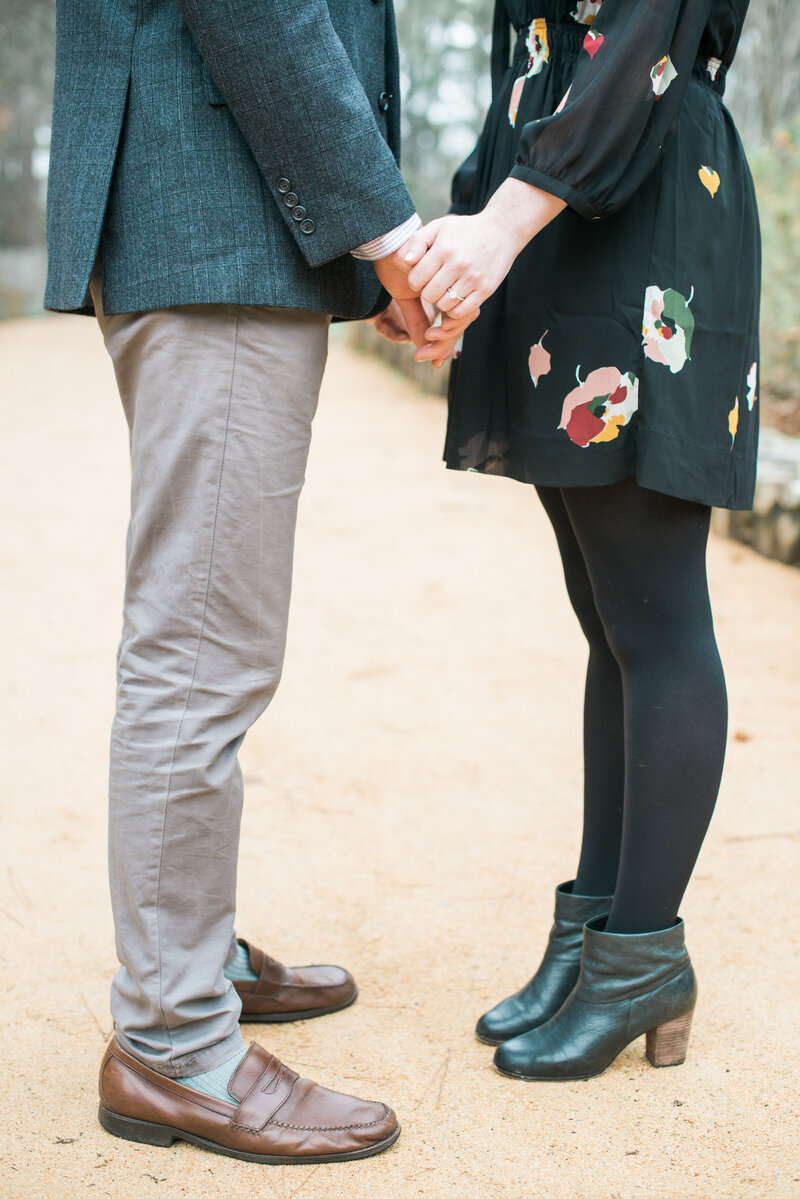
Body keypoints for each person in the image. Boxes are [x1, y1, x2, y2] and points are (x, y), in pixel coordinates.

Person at [44, 0, 464, 1164]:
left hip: (213, 208)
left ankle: (194, 956)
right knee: (200, 647)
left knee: (201, 632)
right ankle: (173, 1037)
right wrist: (378, 227)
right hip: (215, 216)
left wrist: (353, 239)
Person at [401, 0, 759, 1081]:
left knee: (653, 620)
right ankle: (596, 933)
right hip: (557, 223)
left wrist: (495, 229)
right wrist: (455, 241)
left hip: (644, 214)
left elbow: (638, 45)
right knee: (611, 624)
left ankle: (640, 954)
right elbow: (531, 64)